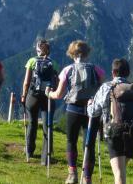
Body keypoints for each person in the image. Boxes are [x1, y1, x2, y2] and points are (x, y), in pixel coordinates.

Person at [46, 40, 105, 184]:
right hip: (92, 111)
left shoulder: (67, 70)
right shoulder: (97, 70)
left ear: (72, 54)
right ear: (87, 53)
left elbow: (59, 94)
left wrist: (49, 93)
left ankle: (72, 174)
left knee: (71, 141)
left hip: (73, 109)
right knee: (89, 145)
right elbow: (103, 90)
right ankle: (87, 179)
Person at [87, 59, 133, 184]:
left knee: (119, 173)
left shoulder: (106, 87)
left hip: (114, 132)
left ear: (113, 72)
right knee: (121, 171)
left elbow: (93, 112)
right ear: (128, 73)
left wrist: (89, 104)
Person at [21, 39, 59, 165]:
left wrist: (23, 95)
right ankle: (45, 158)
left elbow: (26, 82)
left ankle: (29, 150)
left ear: (37, 49)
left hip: (33, 96)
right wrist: (54, 94)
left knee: (32, 122)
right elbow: (57, 82)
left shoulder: (32, 61)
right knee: (47, 126)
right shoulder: (54, 63)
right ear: (49, 50)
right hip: (48, 96)